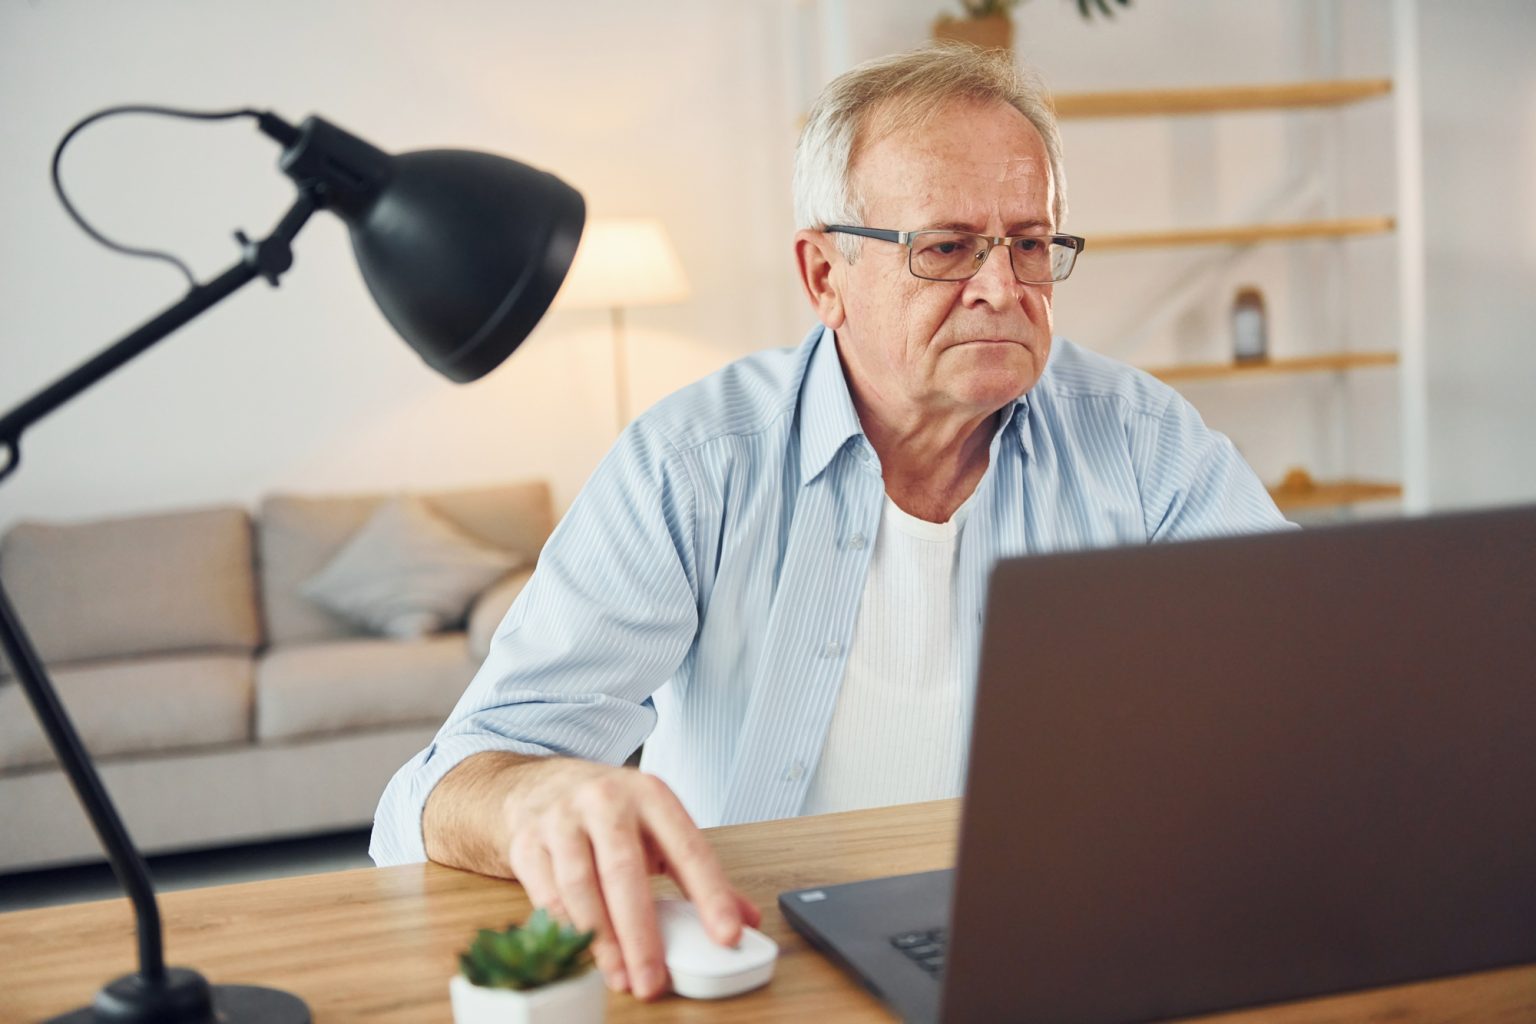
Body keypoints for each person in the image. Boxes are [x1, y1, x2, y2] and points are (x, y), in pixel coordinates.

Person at [370, 44, 1288, 1000]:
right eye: (944, 248)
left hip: (1067, 944)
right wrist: (535, 793)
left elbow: (1306, 684)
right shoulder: (692, 463)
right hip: (767, 961)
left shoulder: (1140, 441)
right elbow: (430, 799)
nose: (1002, 288)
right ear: (824, 275)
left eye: (1029, 242)